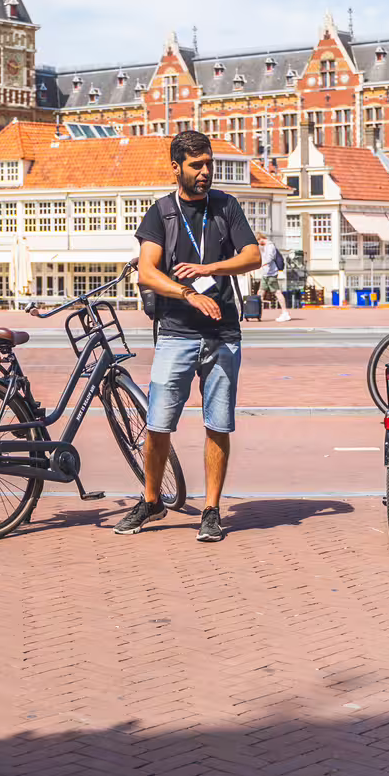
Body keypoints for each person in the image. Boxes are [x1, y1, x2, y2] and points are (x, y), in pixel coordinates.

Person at [119, 130, 262, 543]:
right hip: (176, 333)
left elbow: (252, 256)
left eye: (209, 164)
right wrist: (186, 293)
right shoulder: (161, 212)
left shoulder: (226, 206)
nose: (205, 172)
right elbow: (148, 271)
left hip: (223, 334)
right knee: (158, 424)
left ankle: (212, 510)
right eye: (196, 165)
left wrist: (208, 270)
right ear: (177, 167)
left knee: (218, 424)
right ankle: (151, 500)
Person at [255, 233, 291, 322]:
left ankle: (285, 313)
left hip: (271, 274)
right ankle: (255, 312)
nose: (258, 244)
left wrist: (260, 264)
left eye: (258, 242)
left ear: (261, 239)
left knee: (277, 292)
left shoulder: (270, 246)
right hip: (265, 274)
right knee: (260, 293)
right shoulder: (265, 247)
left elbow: (270, 258)